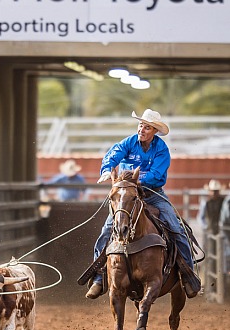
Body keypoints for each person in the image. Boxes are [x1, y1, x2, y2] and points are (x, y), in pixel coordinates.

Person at [85, 108, 201, 300]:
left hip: (153, 194)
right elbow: (113, 154)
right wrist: (107, 169)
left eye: (147, 127)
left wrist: (135, 180)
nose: (142, 130)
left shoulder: (161, 149)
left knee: (175, 228)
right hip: (128, 195)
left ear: (154, 131)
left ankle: (187, 274)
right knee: (107, 230)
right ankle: (99, 276)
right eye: (141, 126)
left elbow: (156, 174)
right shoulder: (129, 142)